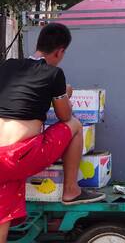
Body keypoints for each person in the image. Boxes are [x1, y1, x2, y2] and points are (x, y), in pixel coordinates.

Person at [0, 23, 105, 242]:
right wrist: (64, 93)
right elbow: (64, 117)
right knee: (75, 124)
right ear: (60, 51)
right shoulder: (54, 73)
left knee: (3, 212)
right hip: (20, 156)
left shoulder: (7, 66)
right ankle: (70, 190)